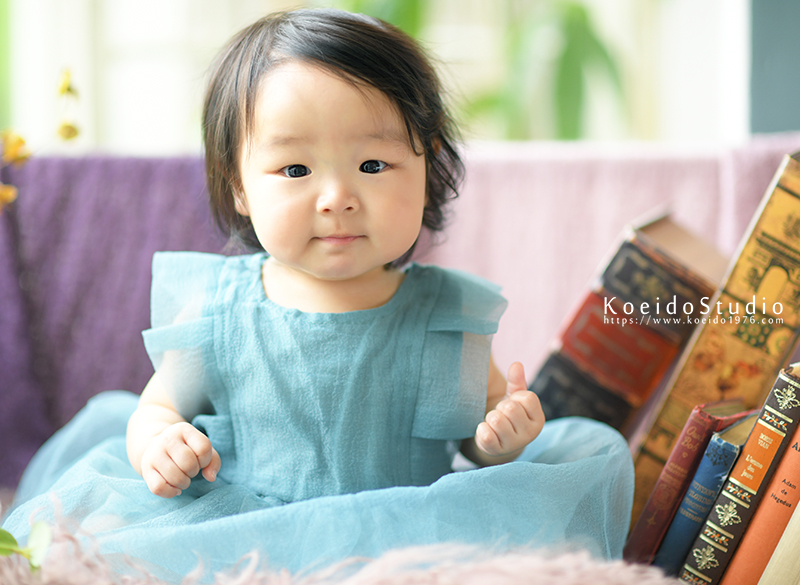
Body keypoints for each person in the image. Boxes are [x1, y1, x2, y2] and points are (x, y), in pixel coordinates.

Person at [2, 8, 633, 581]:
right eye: (296, 170)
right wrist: (163, 443)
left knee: (590, 455)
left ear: (428, 167)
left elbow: (474, 432)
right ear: (241, 187)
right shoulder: (219, 309)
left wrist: (500, 436)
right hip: (239, 528)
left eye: (374, 165)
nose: (337, 196)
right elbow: (157, 410)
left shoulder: (444, 316)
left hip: (405, 531)